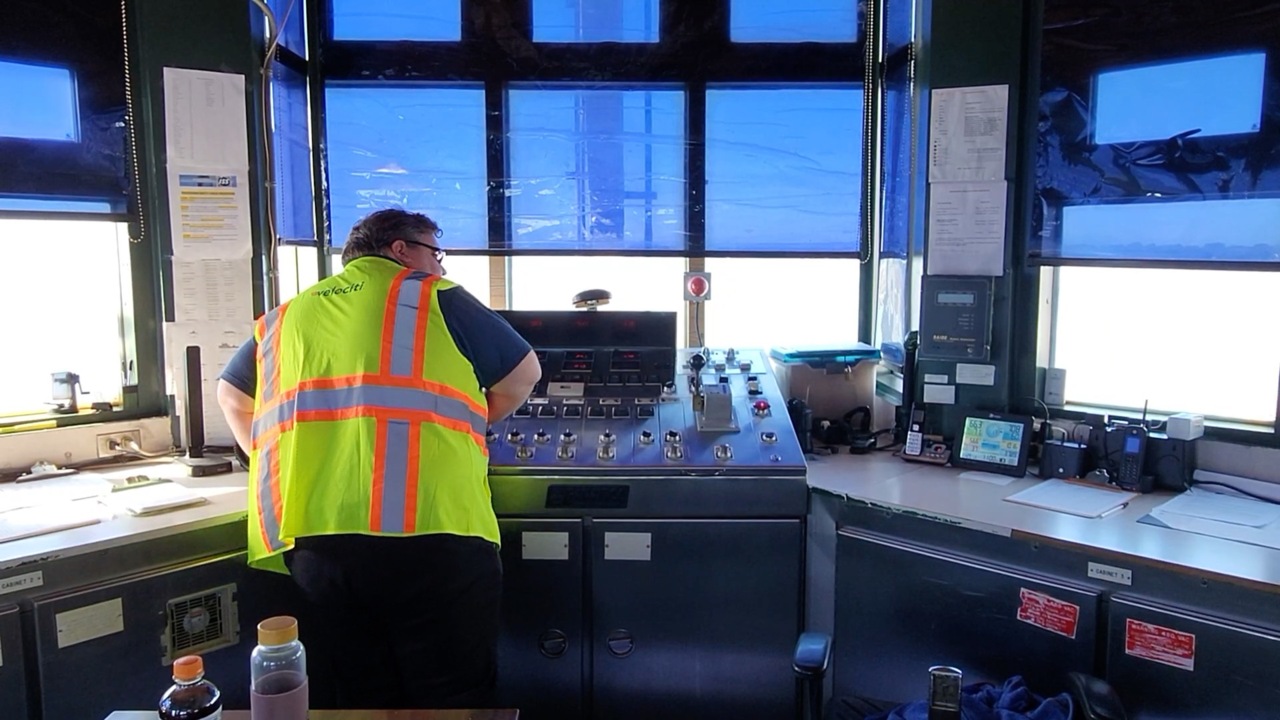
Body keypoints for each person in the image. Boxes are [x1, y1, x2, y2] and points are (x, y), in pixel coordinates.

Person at [216, 208, 541, 709]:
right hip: (432, 533)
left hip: (314, 543)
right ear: (401, 250)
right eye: (437, 253)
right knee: (451, 698)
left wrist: (267, 452)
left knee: (356, 698)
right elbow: (523, 374)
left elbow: (232, 396)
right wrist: (468, 425)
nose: (441, 267)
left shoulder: (284, 317)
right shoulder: (433, 297)